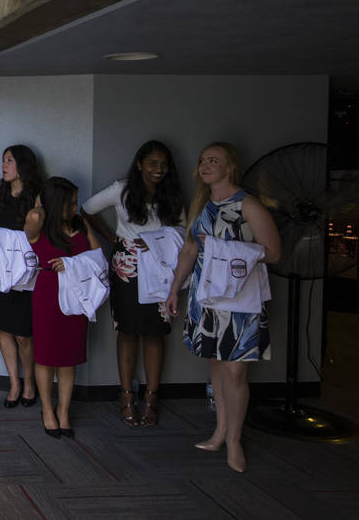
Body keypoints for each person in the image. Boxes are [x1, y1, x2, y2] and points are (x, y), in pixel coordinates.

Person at [165, 142, 281, 473]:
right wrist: (174, 290)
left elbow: (273, 252)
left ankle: (234, 440)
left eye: (213, 160)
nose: (204, 165)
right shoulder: (202, 203)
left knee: (236, 370)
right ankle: (219, 432)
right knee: (216, 364)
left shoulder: (248, 204)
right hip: (208, 296)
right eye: (202, 160)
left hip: (240, 298)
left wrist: (225, 249)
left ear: (230, 166)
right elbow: (188, 251)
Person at [82, 141, 185, 428]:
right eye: (152, 163)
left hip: (161, 267)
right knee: (127, 331)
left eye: (163, 164)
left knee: (155, 333)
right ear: (139, 163)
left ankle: (151, 399)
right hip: (127, 267)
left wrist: (156, 242)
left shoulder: (172, 194)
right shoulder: (122, 189)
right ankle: (126, 396)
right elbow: (86, 210)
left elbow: (183, 232)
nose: (159, 169)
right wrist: (112, 238)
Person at [25, 176, 101, 438]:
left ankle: (64, 410)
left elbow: (97, 255)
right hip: (48, 293)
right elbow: (35, 211)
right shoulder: (38, 223)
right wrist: (43, 203)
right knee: (46, 356)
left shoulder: (81, 222)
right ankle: (47, 409)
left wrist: (72, 265)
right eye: (69, 203)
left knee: (69, 357)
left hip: (77, 293)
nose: (75, 208)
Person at [0, 144, 42, 408]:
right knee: (2, 328)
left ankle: (30, 383)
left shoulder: (36, 196)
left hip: (24, 273)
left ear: (23, 165)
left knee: (24, 333)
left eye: (9, 161)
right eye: (3, 161)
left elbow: (39, 237)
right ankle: (14, 383)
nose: (3, 166)